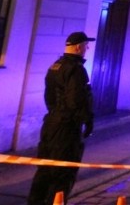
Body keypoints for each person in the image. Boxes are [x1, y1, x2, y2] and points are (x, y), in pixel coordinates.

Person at [28, 32, 96, 205]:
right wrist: (87, 120)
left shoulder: (55, 66)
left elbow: (49, 97)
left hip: (51, 123)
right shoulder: (76, 70)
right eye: (86, 46)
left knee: (44, 170)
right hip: (67, 128)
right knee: (64, 173)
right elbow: (77, 100)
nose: (87, 49)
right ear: (78, 47)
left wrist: (56, 113)